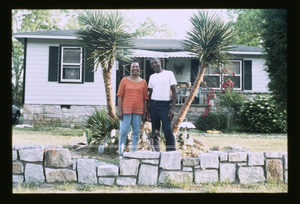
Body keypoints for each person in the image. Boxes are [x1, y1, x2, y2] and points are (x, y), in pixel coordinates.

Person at [117, 59, 149, 158]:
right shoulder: (124, 80)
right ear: (130, 69)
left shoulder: (143, 82)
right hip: (126, 110)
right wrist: (119, 110)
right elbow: (120, 96)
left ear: (139, 68)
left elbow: (145, 99)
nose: (135, 68)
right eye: (133, 66)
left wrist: (144, 112)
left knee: (136, 133)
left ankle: (134, 154)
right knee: (123, 132)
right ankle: (121, 153)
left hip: (138, 111)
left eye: (137, 66)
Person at [147, 58, 177, 152]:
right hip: (153, 105)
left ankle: (171, 153)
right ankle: (156, 153)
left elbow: (174, 91)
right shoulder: (152, 77)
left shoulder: (169, 73)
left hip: (165, 105)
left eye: (155, 62)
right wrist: (148, 110)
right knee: (155, 131)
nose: (154, 65)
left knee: (167, 129)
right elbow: (150, 93)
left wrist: (172, 108)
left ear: (160, 62)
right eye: (152, 64)